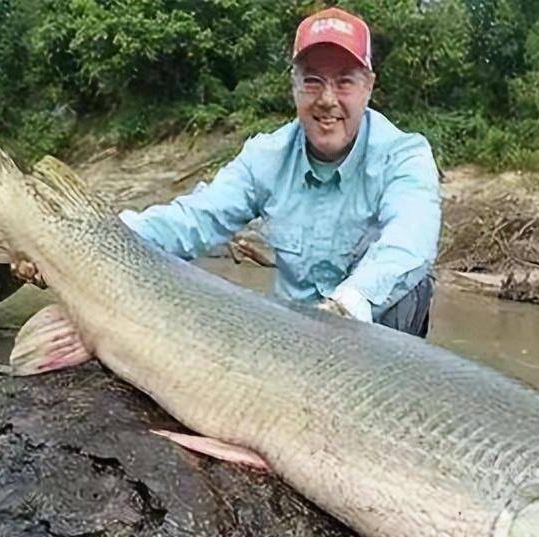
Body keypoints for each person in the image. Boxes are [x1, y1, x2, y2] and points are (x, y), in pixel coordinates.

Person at [118, 8, 441, 337]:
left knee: (413, 283)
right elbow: (195, 220)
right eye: (312, 81)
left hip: (366, 335)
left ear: (368, 87)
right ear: (294, 86)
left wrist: (345, 306)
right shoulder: (266, 156)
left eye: (344, 82)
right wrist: (109, 234)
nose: (327, 100)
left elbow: (411, 241)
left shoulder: (405, 156)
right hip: (290, 334)